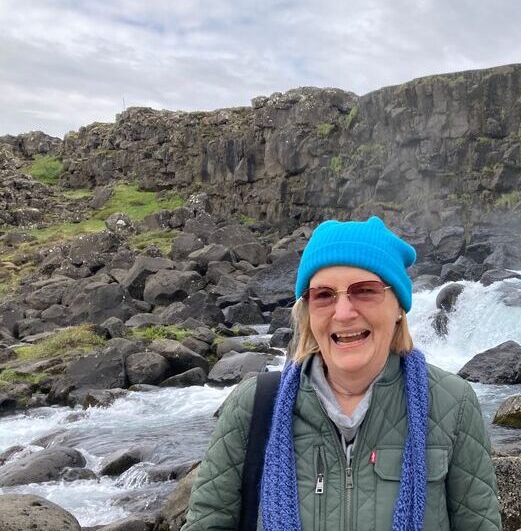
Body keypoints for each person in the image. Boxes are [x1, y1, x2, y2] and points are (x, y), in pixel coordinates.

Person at [182, 217, 502, 531]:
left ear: (400, 307)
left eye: (365, 290)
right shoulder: (253, 406)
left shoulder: (453, 405)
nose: (344, 313)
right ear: (307, 312)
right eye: (324, 295)